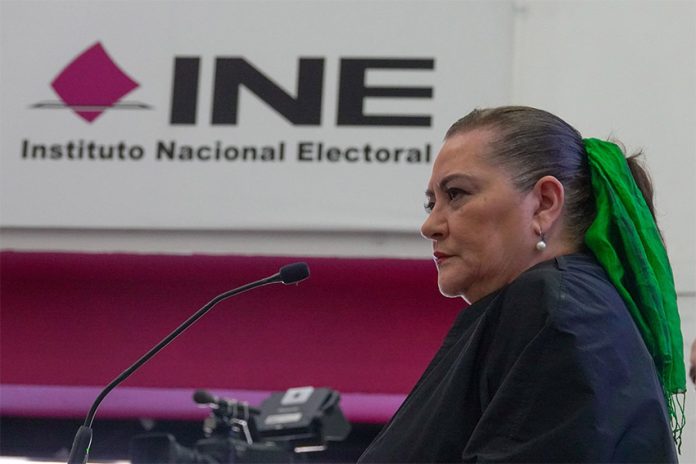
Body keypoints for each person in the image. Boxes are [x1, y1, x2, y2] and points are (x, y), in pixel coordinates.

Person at [358, 106, 685, 463]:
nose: (430, 225)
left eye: (456, 194)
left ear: (544, 203)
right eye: (430, 203)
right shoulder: (562, 305)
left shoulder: (558, 310)